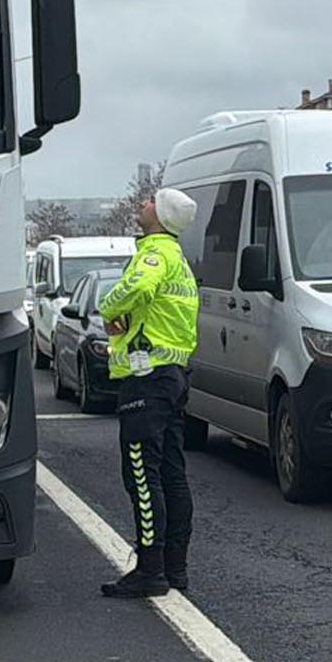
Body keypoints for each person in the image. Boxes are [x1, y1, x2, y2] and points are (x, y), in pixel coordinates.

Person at [94, 187, 202, 599]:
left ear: (162, 214)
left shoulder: (154, 254)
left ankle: (150, 568)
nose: (143, 204)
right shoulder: (179, 260)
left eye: (151, 201)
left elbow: (137, 288)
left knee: (141, 472)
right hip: (172, 376)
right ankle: (175, 567)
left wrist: (108, 308)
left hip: (147, 378)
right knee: (172, 472)